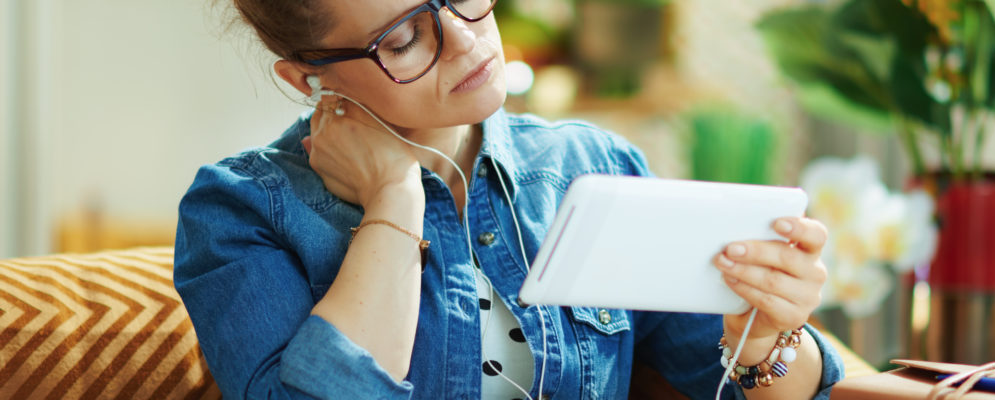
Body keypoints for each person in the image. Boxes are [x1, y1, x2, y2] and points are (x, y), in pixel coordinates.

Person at [174, 0, 844, 398]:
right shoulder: (242, 211)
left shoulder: (592, 168)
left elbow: (741, 384)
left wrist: (768, 332)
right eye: (403, 39)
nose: (465, 39)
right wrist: (396, 200)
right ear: (305, 77)